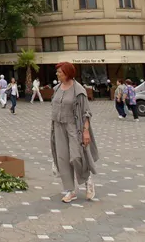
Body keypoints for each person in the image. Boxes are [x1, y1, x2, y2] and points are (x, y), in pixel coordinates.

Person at [50, 62, 98, 203]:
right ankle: (70, 190)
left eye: (60, 72)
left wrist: (86, 131)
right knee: (62, 158)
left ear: (68, 73)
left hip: (73, 127)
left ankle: (87, 180)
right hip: (58, 126)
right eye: (57, 72)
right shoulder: (56, 88)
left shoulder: (79, 90)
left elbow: (86, 112)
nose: (57, 74)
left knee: (76, 156)